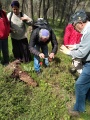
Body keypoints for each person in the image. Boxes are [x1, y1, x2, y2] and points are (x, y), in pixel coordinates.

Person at [60, 10, 90, 116]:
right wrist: (75, 46)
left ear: (81, 23)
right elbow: (85, 45)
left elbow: (82, 53)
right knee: (87, 83)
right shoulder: (87, 30)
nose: (74, 27)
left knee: (80, 84)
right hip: (87, 63)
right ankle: (87, 101)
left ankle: (78, 110)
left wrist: (69, 52)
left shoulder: (89, 31)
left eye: (75, 25)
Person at [0, 1, 10, 65]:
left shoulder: (3, 13)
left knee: (5, 51)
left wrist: (8, 30)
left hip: (5, 37)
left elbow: (7, 23)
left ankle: (6, 62)